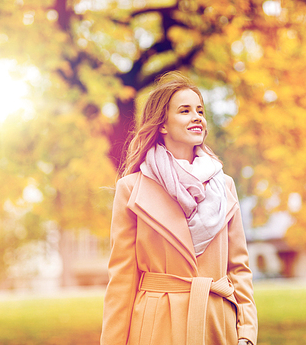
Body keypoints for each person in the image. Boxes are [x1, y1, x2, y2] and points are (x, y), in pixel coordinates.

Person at [100, 71, 258, 345]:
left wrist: (246, 333)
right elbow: (122, 279)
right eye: (184, 111)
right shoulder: (131, 188)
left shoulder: (225, 187)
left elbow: (239, 269)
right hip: (156, 326)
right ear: (162, 124)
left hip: (215, 325)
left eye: (200, 110)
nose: (197, 117)